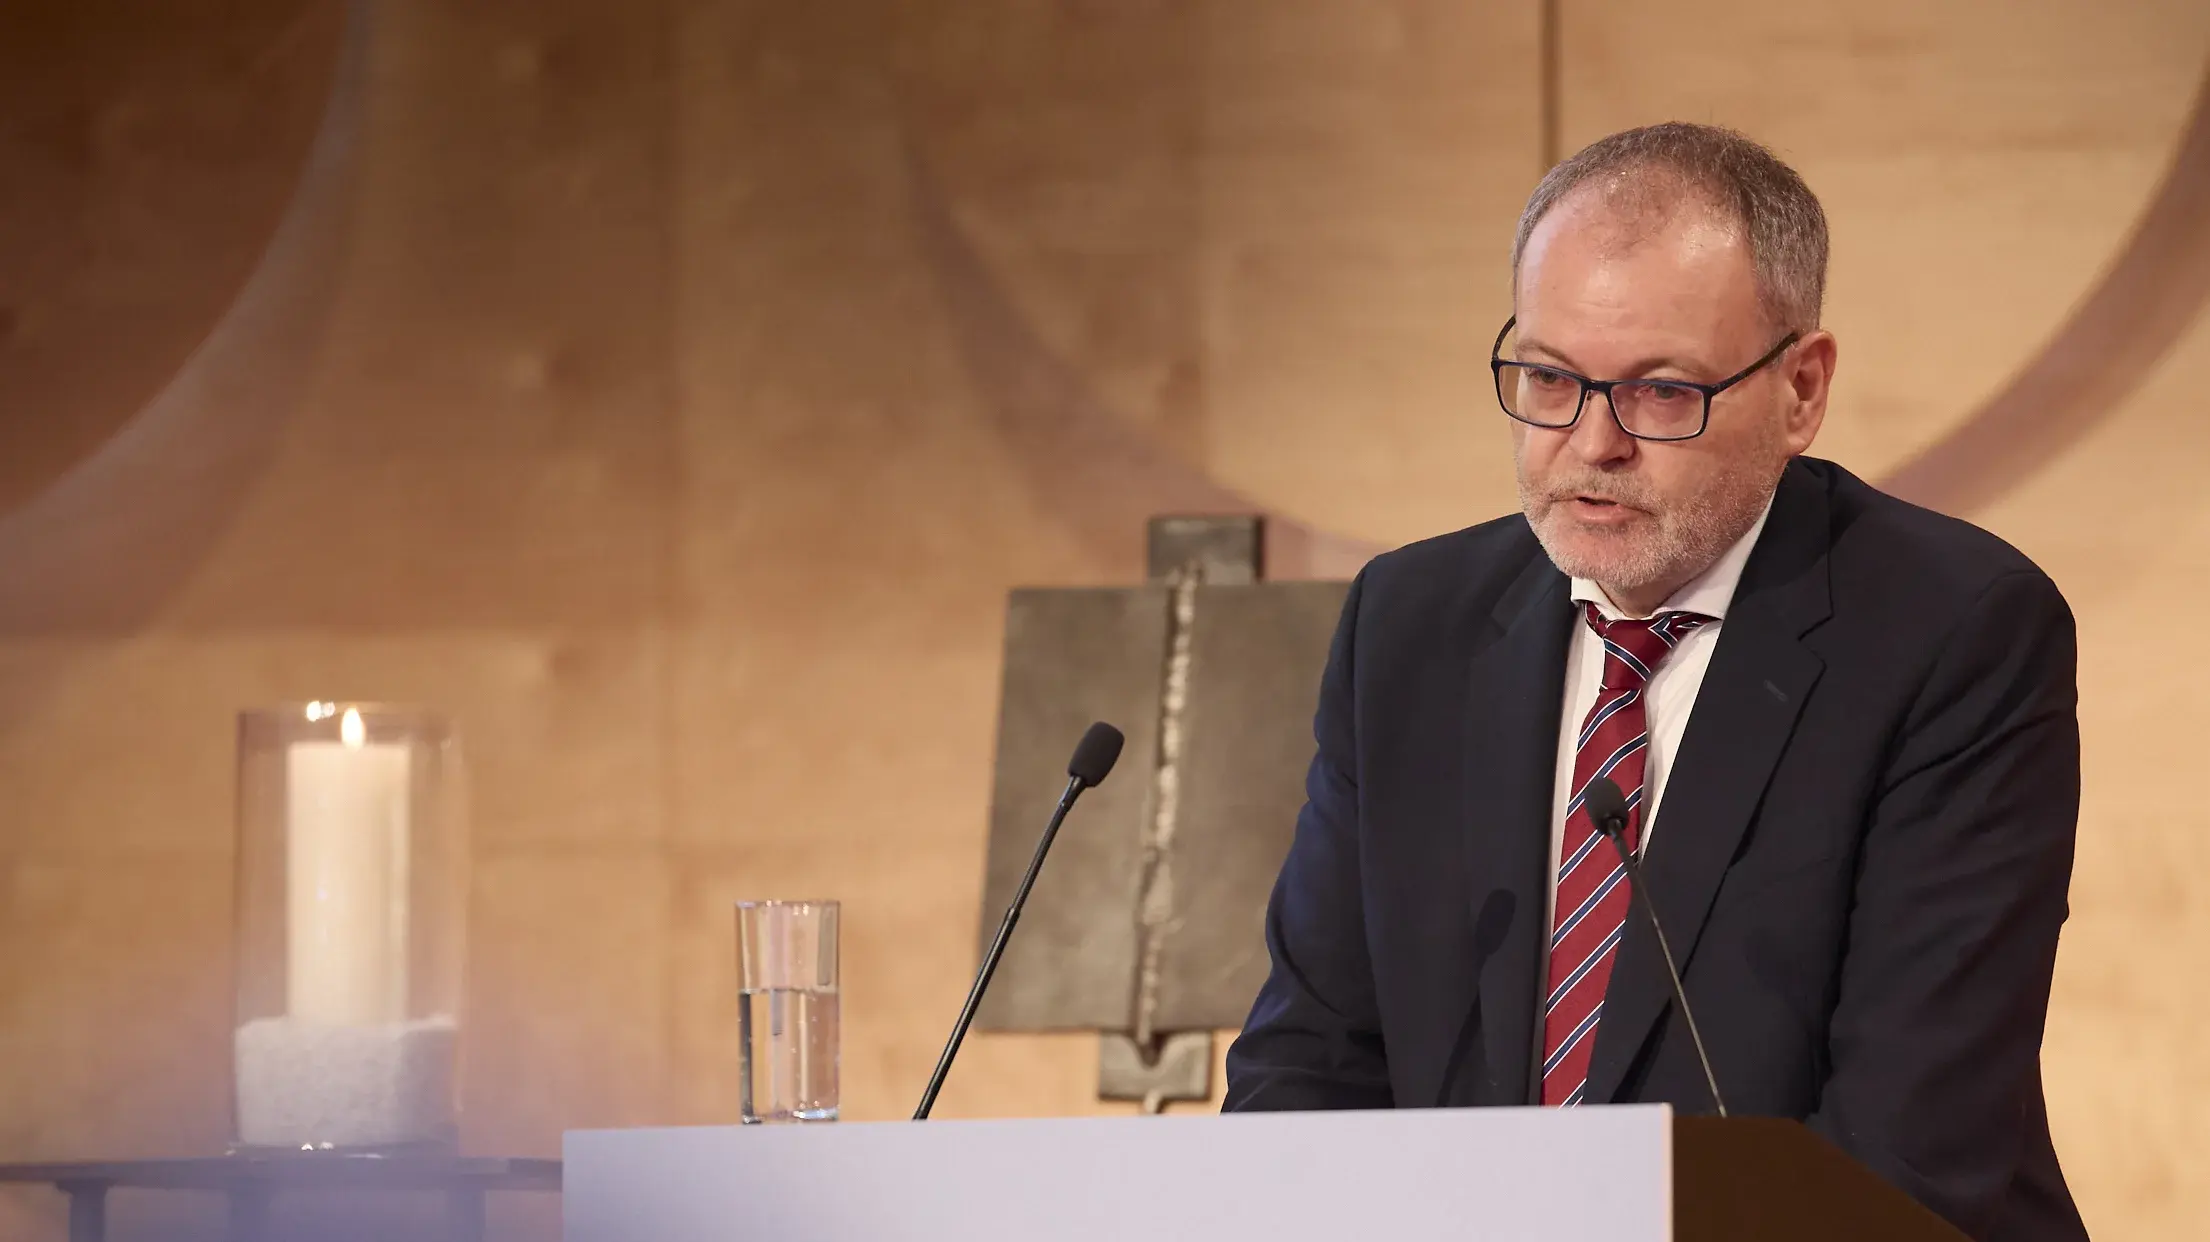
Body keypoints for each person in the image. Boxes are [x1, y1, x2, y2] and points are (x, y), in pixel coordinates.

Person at [1223, 122, 2087, 1242]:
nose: (1589, 445)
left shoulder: (1950, 632)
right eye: (1545, 378)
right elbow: (1308, 1063)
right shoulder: (1408, 626)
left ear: (1800, 389)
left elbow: (1913, 1146)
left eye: (1660, 393)